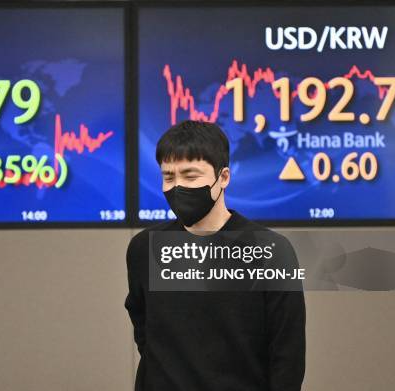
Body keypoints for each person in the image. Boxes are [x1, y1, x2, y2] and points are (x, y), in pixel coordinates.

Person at [124, 120, 306, 391]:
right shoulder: (144, 248)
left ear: (223, 178)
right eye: (168, 177)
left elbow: (287, 357)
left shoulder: (270, 251)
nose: (177, 187)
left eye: (191, 176)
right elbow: (145, 331)